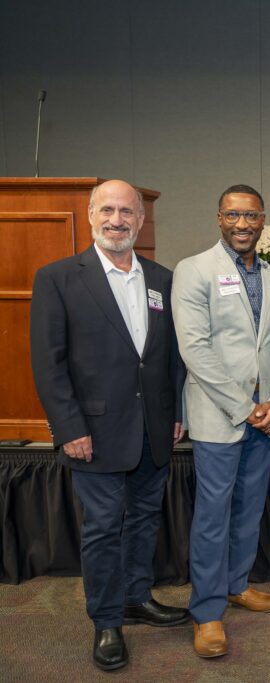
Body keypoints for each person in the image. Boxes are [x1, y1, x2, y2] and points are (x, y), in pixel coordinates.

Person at [30, 179, 188, 671]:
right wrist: (68, 427)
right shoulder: (58, 278)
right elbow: (48, 363)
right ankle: (105, 620)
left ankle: (136, 598)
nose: (117, 220)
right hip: (93, 433)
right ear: (91, 214)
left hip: (153, 429)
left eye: (126, 212)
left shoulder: (161, 278)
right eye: (108, 210)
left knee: (143, 520)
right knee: (102, 529)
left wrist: (176, 412)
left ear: (140, 219)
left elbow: (170, 357)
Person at [172, 184, 270, 657]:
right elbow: (195, 349)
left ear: (263, 220)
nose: (243, 224)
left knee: (249, 509)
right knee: (213, 515)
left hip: (266, 418)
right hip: (221, 416)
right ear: (219, 219)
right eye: (233, 215)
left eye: (251, 216)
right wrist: (245, 407)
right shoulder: (195, 270)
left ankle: (237, 584)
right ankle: (206, 612)